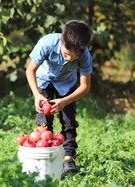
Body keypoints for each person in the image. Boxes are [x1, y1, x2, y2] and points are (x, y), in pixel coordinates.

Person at [26, 20, 92, 173]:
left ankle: (68, 159)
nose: (69, 59)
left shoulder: (84, 55)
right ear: (62, 41)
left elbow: (85, 86)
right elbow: (30, 70)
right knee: (43, 121)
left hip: (66, 85)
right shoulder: (47, 43)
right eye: (67, 54)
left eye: (73, 58)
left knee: (69, 122)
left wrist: (64, 101)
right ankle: (44, 158)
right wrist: (37, 95)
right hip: (44, 81)